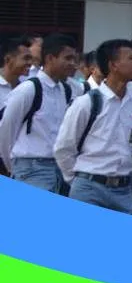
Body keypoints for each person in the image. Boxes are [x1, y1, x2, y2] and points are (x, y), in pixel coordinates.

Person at [53, 40, 132, 215]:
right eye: (131, 58)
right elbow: (63, 148)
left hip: (123, 191)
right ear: (113, 64)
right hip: (89, 189)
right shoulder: (87, 102)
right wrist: (79, 181)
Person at [0, 34, 79, 193]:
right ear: (50, 58)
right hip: (31, 169)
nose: (73, 64)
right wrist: (12, 166)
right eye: (68, 58)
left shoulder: (66, 90)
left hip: (59, 169)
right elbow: (6, 131)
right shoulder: (29, 89)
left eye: (74, 59)